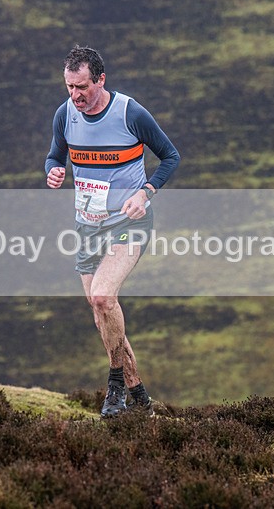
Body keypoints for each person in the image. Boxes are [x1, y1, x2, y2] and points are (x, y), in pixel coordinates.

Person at [45, 46, 180, 417]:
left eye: (82, 87)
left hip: (129, 222)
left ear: (101, 79)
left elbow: (170, 156)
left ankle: (115, 387)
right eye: (69, 87)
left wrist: (145, 192)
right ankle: (141, 401)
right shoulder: (65, 114)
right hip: (88, 225)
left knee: (103, 297)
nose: (76, 95)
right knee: (102, 311)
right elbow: (55, 155)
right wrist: (53, 170)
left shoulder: (130, 113)